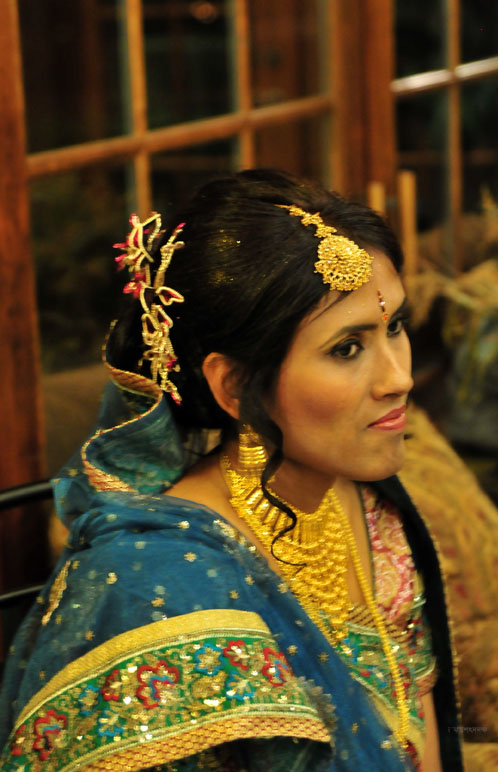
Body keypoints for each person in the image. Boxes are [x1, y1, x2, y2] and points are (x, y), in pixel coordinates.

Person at [0, 169, 463, 771]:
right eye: (347, 348)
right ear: (236, 385)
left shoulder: (365, 501)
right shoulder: (158, 588)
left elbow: (418, 730)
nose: (399, 377)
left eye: (394, 327)